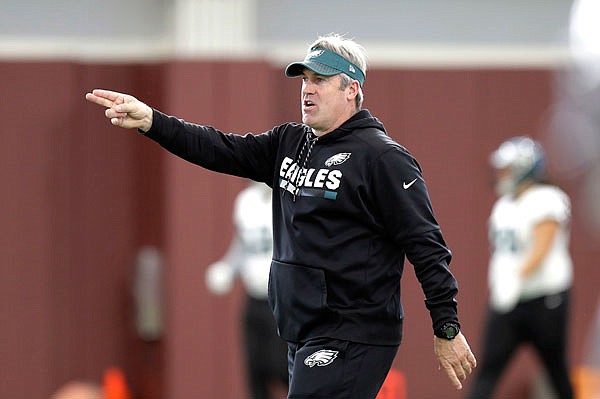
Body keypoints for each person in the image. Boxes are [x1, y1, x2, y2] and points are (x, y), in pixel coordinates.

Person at [85, 33, 476, 398]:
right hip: (301, 331)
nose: (307, 89)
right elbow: (218, 148)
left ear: (352, 89)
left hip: (353, 332)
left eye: (321, 80)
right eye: (304, 80)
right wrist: (153, 121)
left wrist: (446, 326)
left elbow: (426, 246)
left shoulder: (383, 158)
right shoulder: (289, 142)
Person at [467, 136, 574, 399]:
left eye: (507, 168)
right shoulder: (504, 205)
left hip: (545, 299)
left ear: (524, 168)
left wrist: (516, 278)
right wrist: (504, 284)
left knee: (555, 370)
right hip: (508, 300)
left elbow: (543, 244)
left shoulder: (547, 198)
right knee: (487, 370)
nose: (501, 174)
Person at [205, 180, 288, 399]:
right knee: (255, 370)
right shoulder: (246, 201)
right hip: (254, 296)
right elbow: (243, 245)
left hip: (283, 298)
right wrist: (228, 267)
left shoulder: (288, 200)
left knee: (281, 367)